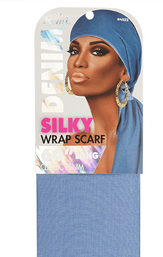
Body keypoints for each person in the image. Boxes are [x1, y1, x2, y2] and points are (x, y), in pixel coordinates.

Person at [65, 9, 143, 174]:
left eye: (97, 52)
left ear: (125, 71)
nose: (78, 62)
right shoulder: (72, 146)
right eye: (74, 51)